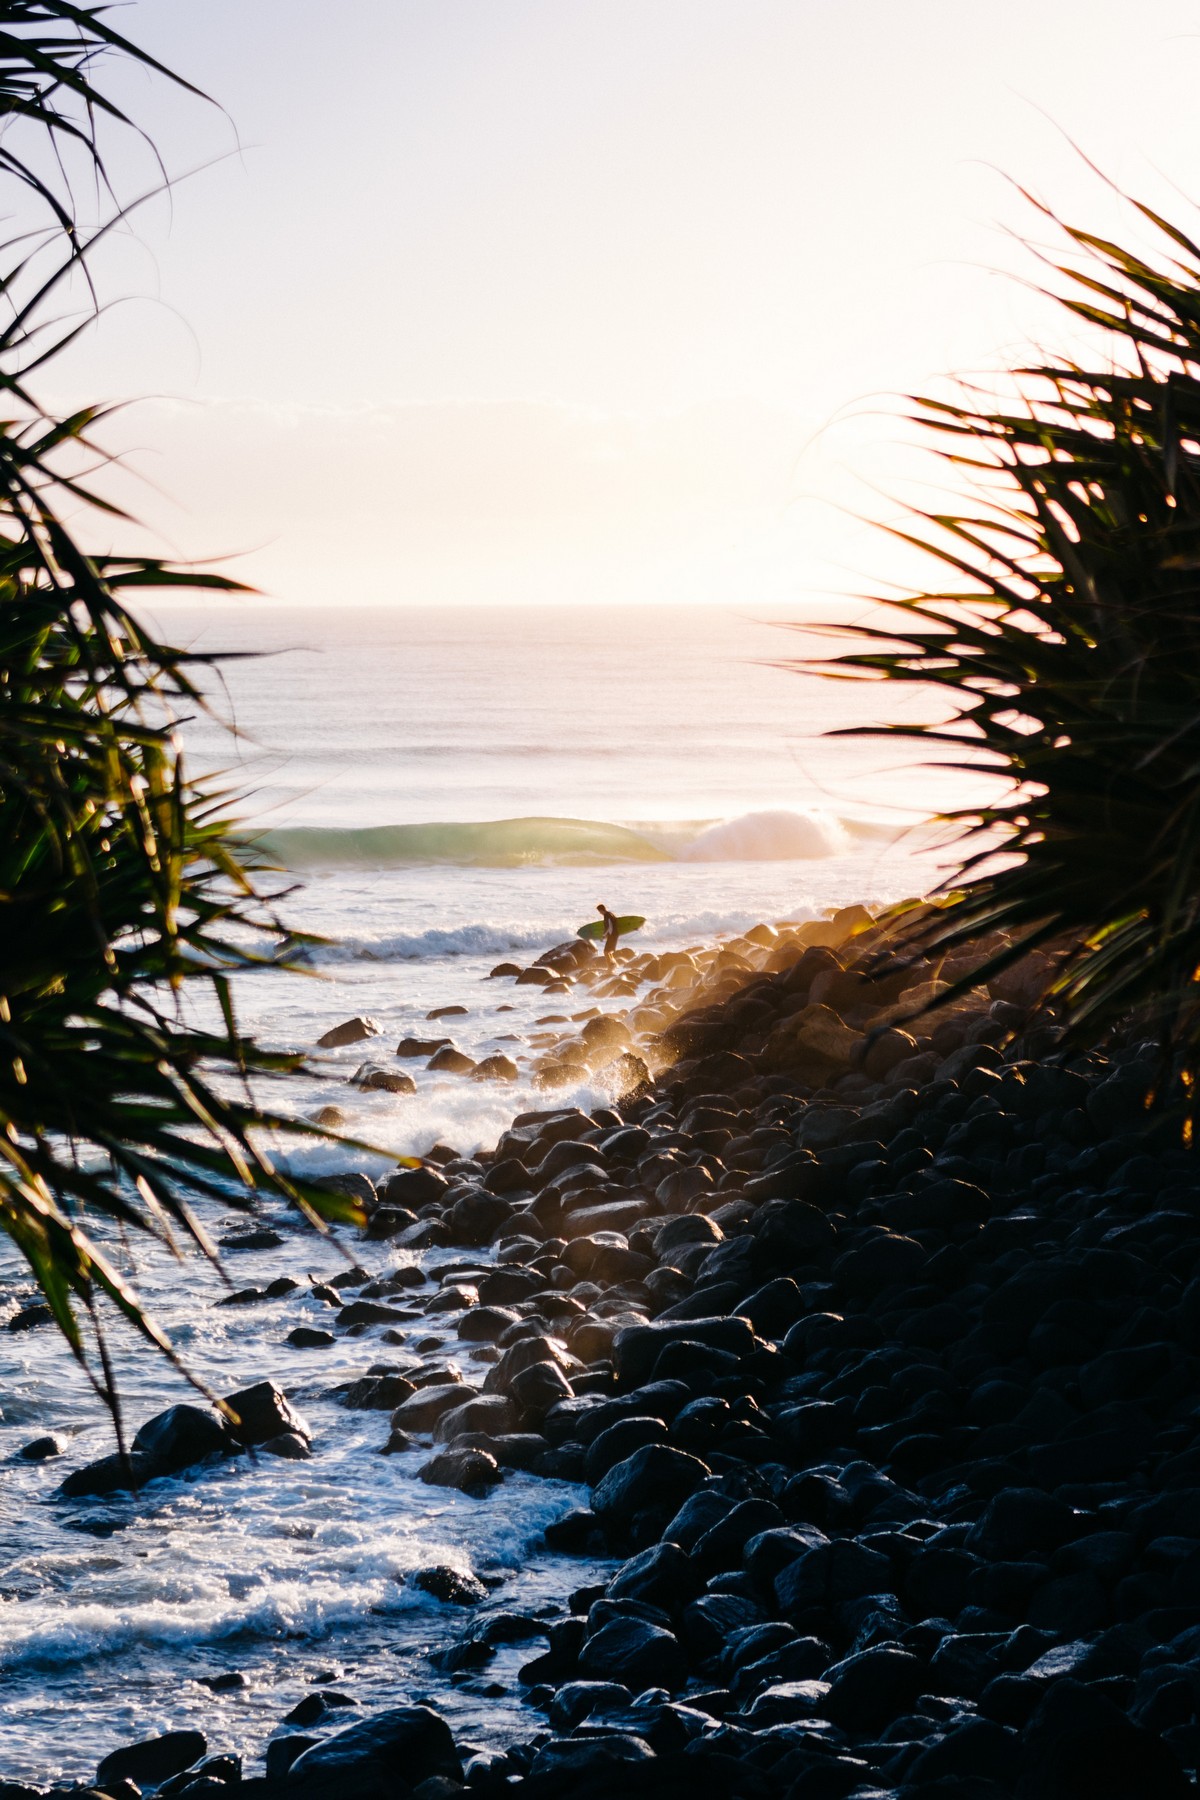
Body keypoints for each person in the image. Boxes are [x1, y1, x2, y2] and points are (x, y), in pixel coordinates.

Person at [596, 902, 621, 968]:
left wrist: (604, 935)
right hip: (614, 935)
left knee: (606, 951)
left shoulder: (607, 916)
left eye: (599, 911)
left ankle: (610, 966)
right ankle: (613, 964)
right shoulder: (610, 914)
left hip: (612, 935)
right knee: (608, 951)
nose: (599, 913)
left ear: (601, 910)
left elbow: (609, 927)